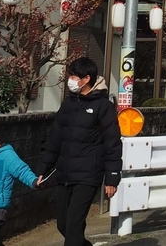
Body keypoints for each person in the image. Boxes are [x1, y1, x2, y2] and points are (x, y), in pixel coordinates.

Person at [37, 57, 122, 246]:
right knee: (63, 224)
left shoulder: (103, 107)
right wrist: (43, 168)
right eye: (71, 76)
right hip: (64, 173)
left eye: (75, 76)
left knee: (74, 225)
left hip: (88, 175)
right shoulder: (68, 105)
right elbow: (55, 139)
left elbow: (112, 143)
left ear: (86, 79)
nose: (71, 80)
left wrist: (112, 177)